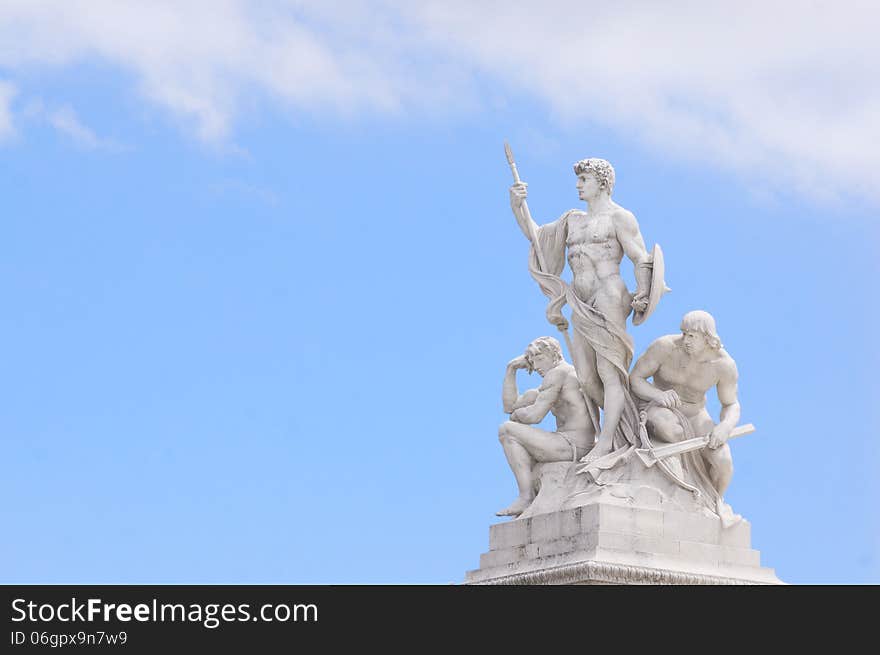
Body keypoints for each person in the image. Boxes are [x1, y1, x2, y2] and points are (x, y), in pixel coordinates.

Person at [509, 158, 654, 465]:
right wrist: (518, 206)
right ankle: (626, 429)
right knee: (587, 379)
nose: (578, 185)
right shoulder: (571, 221)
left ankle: (605, 445)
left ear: (602, 183)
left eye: (584, 179)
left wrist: (642, 292)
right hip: (580, 301)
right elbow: (536, 237)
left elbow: (641, 257)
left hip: (610, 296)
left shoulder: (619, 217)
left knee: (609, 373)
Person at [629, 310, 739, 515]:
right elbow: (635, 379)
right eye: (684, 333)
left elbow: (731, 404)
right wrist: (657, 395)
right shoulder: (665, 347)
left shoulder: (724, 365)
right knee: (670, 429)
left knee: (724, 462)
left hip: (695, 413)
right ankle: (682, 485)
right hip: (660, 407)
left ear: (708, 338)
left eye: (692, 336)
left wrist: (725, 427)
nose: (685, 340)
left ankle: (714, 502)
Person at [496, 336, 594, 517]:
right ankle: (527, 495)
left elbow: (535, 415)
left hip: (574, 444)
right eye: (533, 362)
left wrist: (517, 416)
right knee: (510, 429)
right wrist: (511, 369)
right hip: (570, 443)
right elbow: (510, 406)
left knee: (507, 430)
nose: (537, 366)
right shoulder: (554, 381)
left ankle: (525, 497)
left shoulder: (560, 373)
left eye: (540, 359)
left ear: (553, 354)